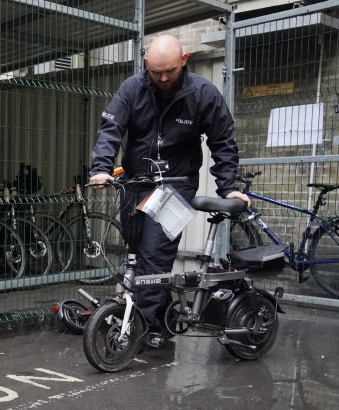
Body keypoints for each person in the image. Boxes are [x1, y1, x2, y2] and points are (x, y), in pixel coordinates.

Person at [87, 35, 251, 349]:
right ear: (146, 65)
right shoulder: (132, 89)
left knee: (153, 256)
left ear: (184, 60)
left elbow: (223, 143)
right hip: (136, 182)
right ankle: (159, 321)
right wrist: (101, 168)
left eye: (171, 71)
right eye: (156, 72)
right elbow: (111, 129)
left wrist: (229, 188)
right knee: (136, 253)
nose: (163, 79)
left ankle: (140, 331)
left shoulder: (203, 94)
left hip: (176, 184)